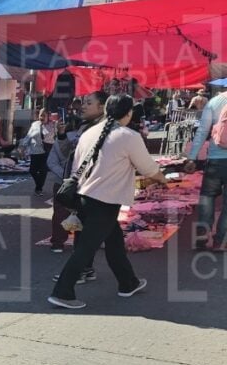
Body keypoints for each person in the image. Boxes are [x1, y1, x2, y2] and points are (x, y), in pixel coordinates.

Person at [49, 94, 166, 310]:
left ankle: (128, 283)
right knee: (86, 249)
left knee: (115, 243)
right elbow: (148, 168)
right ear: (129, 113)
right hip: (104, 201)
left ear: (106, 110)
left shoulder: (90, 132)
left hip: (85, 197)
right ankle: (62, 292)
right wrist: (162, 179)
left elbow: (76, 167)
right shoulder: (128, 136)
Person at [47, 91, 108, 257]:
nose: (83, 107)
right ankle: (68, 246)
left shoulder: (108, 129)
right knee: (66, 212)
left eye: (89, 103)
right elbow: (68, 154)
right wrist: (61, 136)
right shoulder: (83, 129)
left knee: (92, 215)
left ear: (102, 107)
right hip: (74, 180)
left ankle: (87, 250)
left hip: (93, 181)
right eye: (83, 102)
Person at [185, 87, 227, 251]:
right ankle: (220, 241)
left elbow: (202, 131)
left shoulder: (214, 102)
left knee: (207, 197)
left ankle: (202, 237)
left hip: (215, 159)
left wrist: (192, 157)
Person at [25, 109, 54, 196]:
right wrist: (22, 146)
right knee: (32, 170)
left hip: (46, 151)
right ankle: (39, 184)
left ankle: (38, 188)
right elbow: (28, 136)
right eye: (41, 115)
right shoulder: (34, 124)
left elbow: (56, 137)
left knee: (43, 170)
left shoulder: (52, 125)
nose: (42, 117)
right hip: (35, 151)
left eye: (44, 115)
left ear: (48, 116)